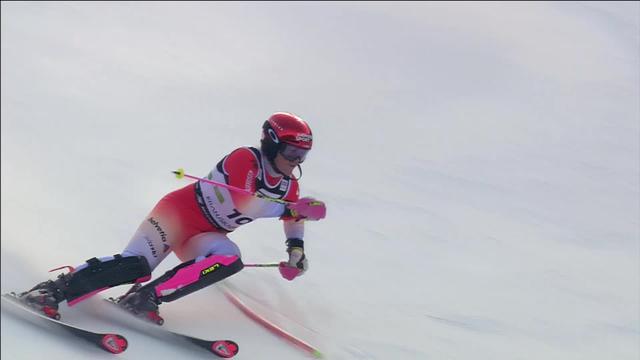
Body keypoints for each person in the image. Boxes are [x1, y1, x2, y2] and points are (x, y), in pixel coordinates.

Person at [18, 112, 327, 324]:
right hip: (179, 214)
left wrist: (296, 251)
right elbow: (244, 203)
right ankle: (50, 290)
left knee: (229, 258)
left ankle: (143, 300)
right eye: (291, 153)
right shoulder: (245, 159)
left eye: (303, 155)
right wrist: (292, 208)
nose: (296, 161)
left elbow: (292, 217)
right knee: (136, 265)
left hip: (206, 233)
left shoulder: (290, 185)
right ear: (271, 144)